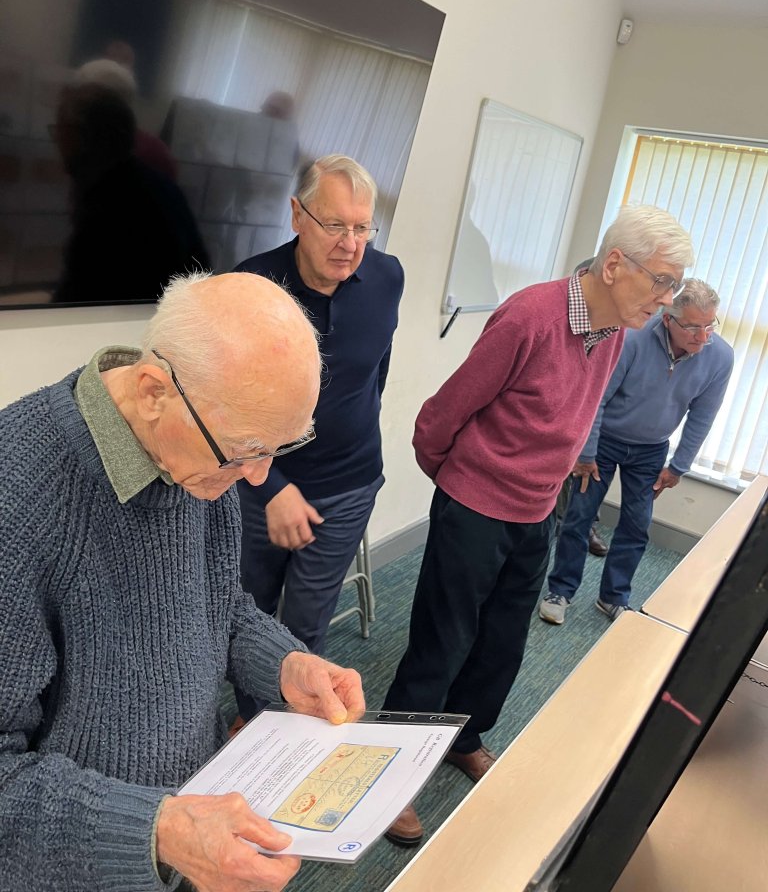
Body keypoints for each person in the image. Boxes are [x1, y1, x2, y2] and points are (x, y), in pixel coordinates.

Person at [0, 272, 366, 892]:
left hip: (195, 817)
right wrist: (156, 832)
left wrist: (282, 664)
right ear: (152, 392)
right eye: (245, 451)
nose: (259, 477)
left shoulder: (203, 453)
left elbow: (214, 605)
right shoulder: (20, 492)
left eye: (279, 448)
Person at [383, 206, 694, 847]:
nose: (668, 299)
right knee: (443, 641)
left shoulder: (615, 333)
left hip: (538, 508)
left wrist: (546, 491)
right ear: (615, 265)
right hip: (475, 504)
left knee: (502, 640)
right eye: (663, 281)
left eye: (676, 285)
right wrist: (458, 481)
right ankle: (388, 776)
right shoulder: (530, 317)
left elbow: (574, 419)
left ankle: (463, 737)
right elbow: (443, 413)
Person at [233, 155, 404, 721]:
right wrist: (270, 486)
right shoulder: (251, 287)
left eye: (361, 227)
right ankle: (253, 724)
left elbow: (375, 370)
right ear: (297, 216)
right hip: (259, 488)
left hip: (349, 485)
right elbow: (223, 403)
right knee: (249, 613)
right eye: (334, 225)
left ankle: (291, 739)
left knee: (307, 626)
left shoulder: (387, 277)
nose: (349, 244)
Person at [539, 278, 733, 625]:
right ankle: (561, 590)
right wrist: (586, 453)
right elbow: (596, 399)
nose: (703, 336)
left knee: (637, 525)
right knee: (579, 516)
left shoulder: (720, 357)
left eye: (709, 326)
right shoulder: (630, 337)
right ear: (667, 319)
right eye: (692, 327)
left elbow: (703, 415)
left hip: (651, 449)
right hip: (604, 441)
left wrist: (679, 466)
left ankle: (613, 597)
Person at [51, 82, 209, 304]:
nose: (57, 141)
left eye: (60, 131)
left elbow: (79, 294)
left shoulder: (108, 204)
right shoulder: (153, 184)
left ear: (84, 136)